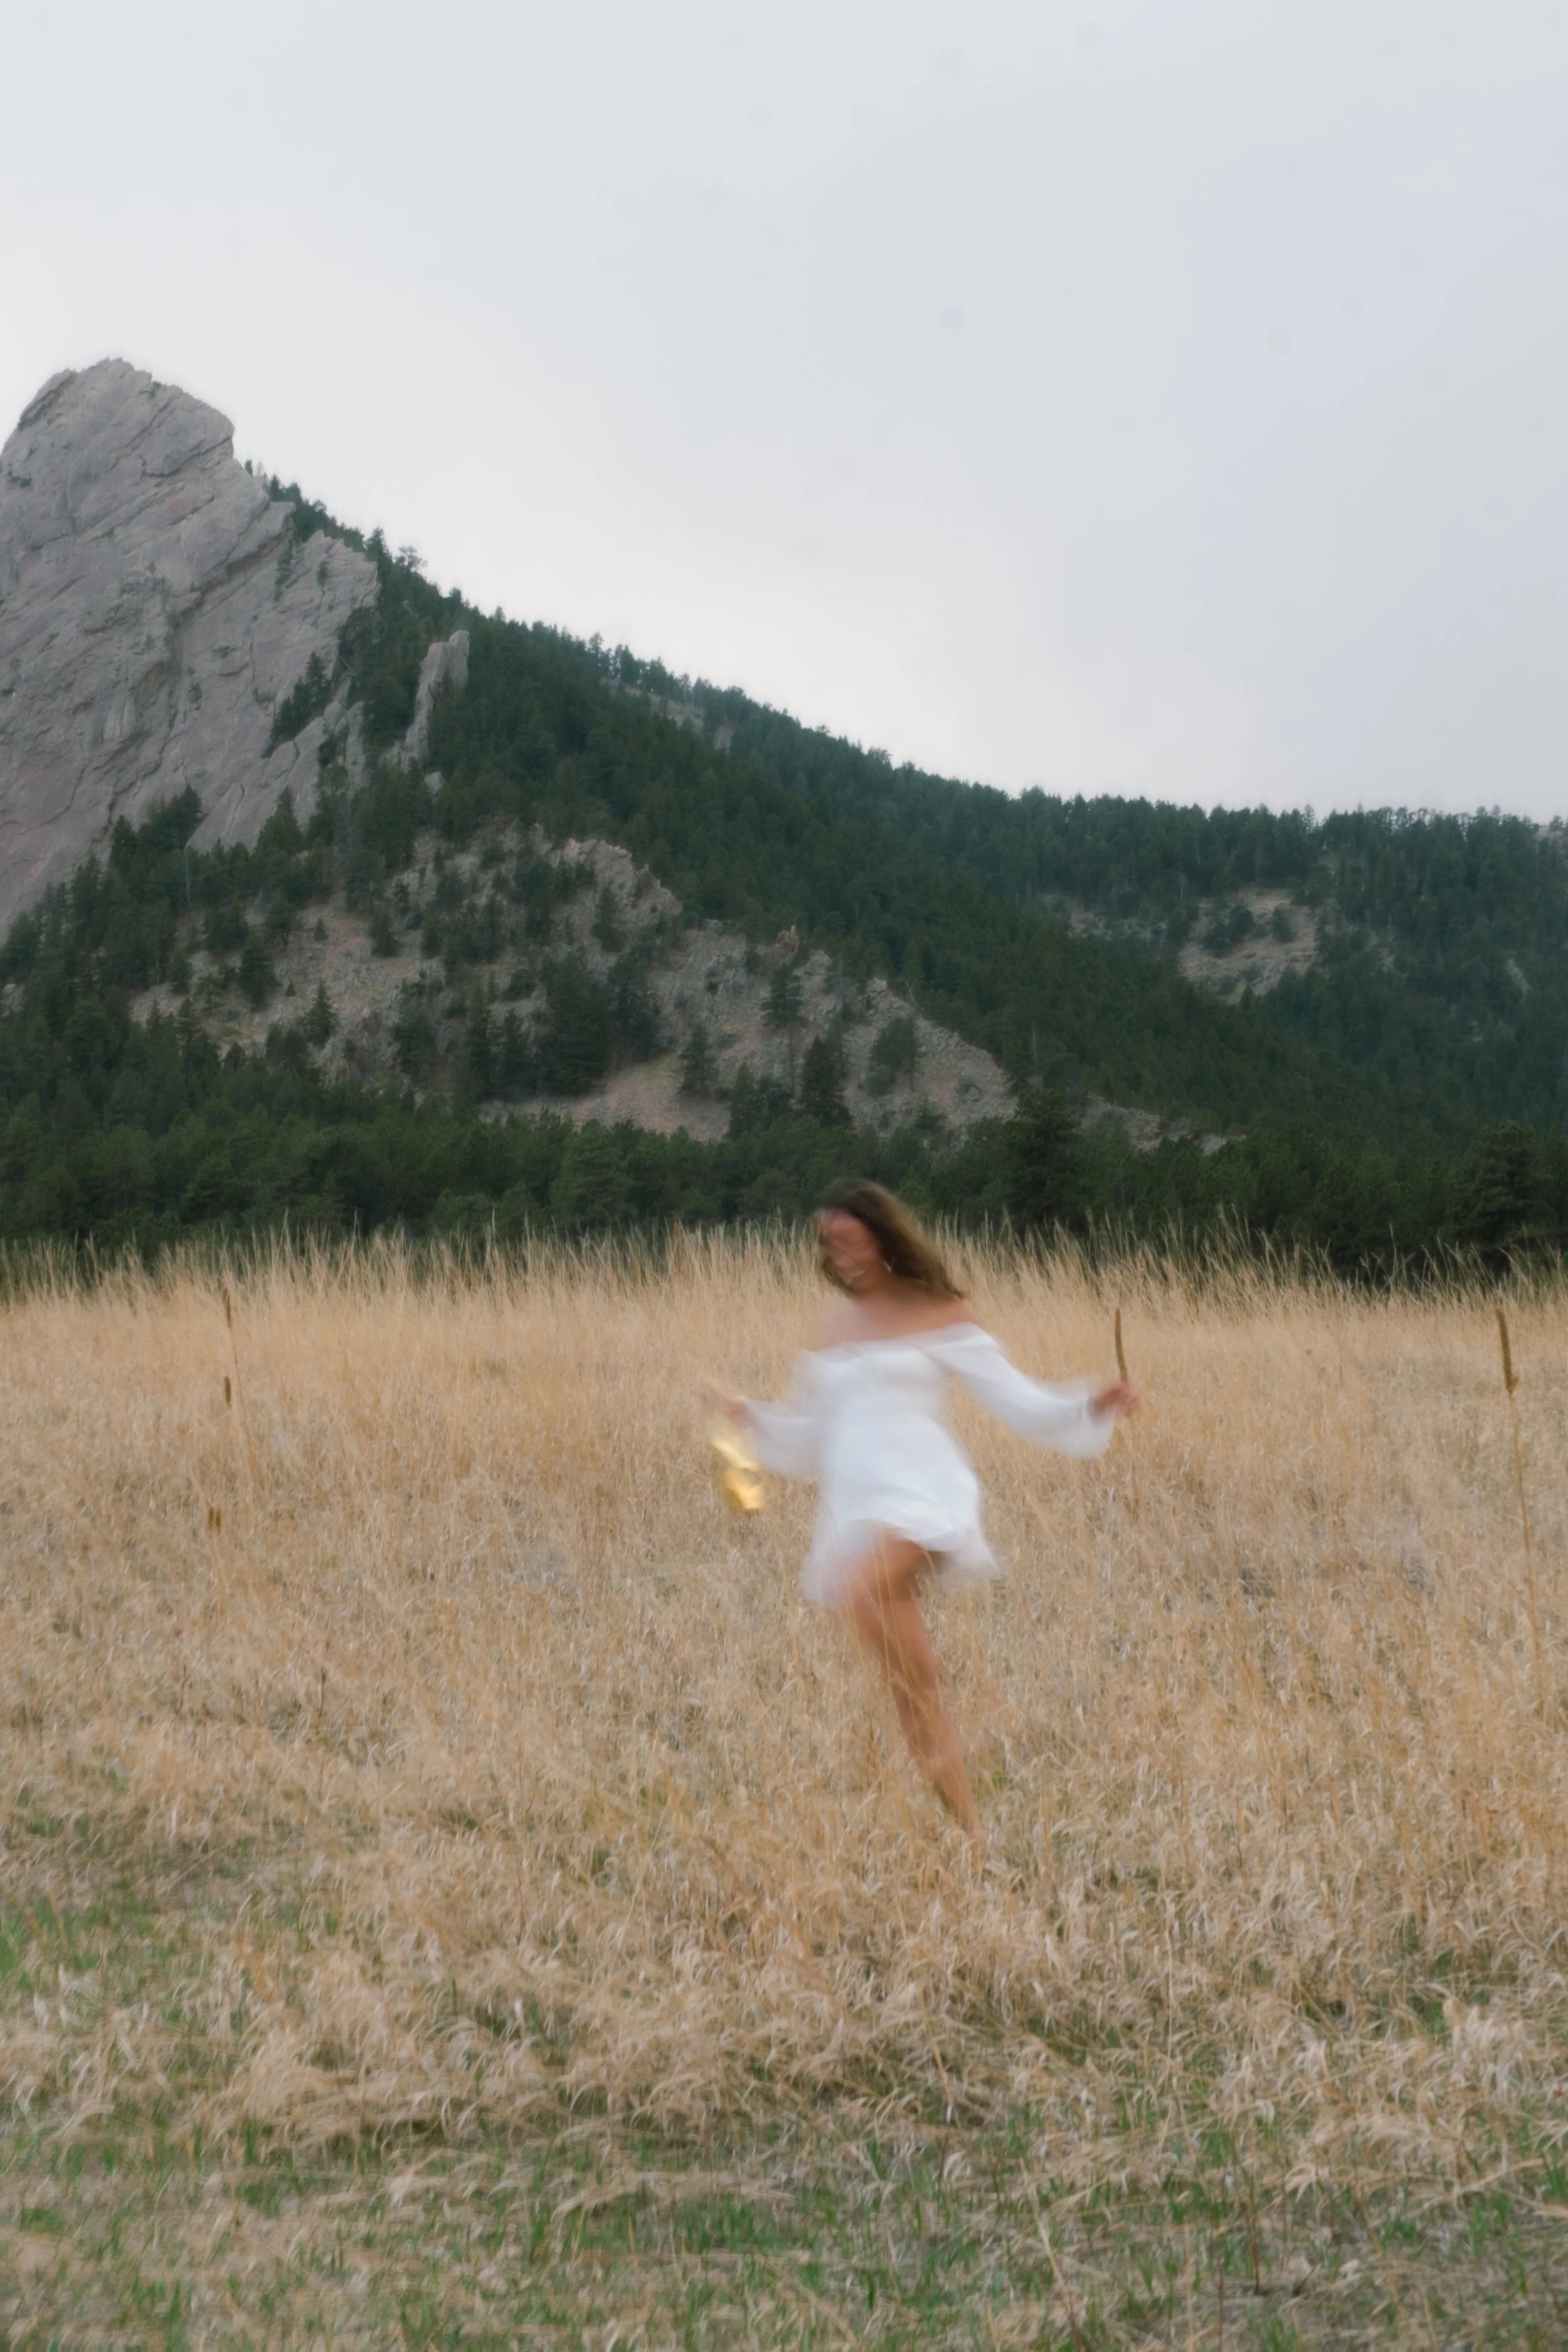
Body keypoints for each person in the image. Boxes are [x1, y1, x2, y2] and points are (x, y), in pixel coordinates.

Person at [712, 1182, 1138, 1835]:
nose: (842, 1255)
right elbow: (808, 1441)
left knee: (859, 1592)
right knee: (914, 1698)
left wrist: (1090, 1405)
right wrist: (752, 1418)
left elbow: (1019, 1402)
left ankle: (979, 1779)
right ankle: (972, 1836)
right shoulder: (834, 1330)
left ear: (885, 1237)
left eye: (853, 1240)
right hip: (855, 1509)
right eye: (831, 1244)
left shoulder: (941, 1311)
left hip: (923, 1495)